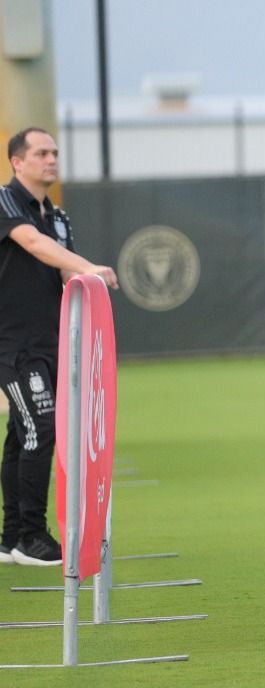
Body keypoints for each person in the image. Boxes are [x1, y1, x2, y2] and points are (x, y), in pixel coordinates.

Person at [1, 128, 118, 567]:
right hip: (13, 342)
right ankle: (32, 536)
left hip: (51, 341)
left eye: (54, 152)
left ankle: (11, 536)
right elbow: (32, 244)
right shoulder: (6, 202)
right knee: (41, 429)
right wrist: (89, 267)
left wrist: (87, 279)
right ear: (18, 161)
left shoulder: (59, 217)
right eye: (41, 153)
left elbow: (64, 272)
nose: (51, 159)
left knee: (20, 433)